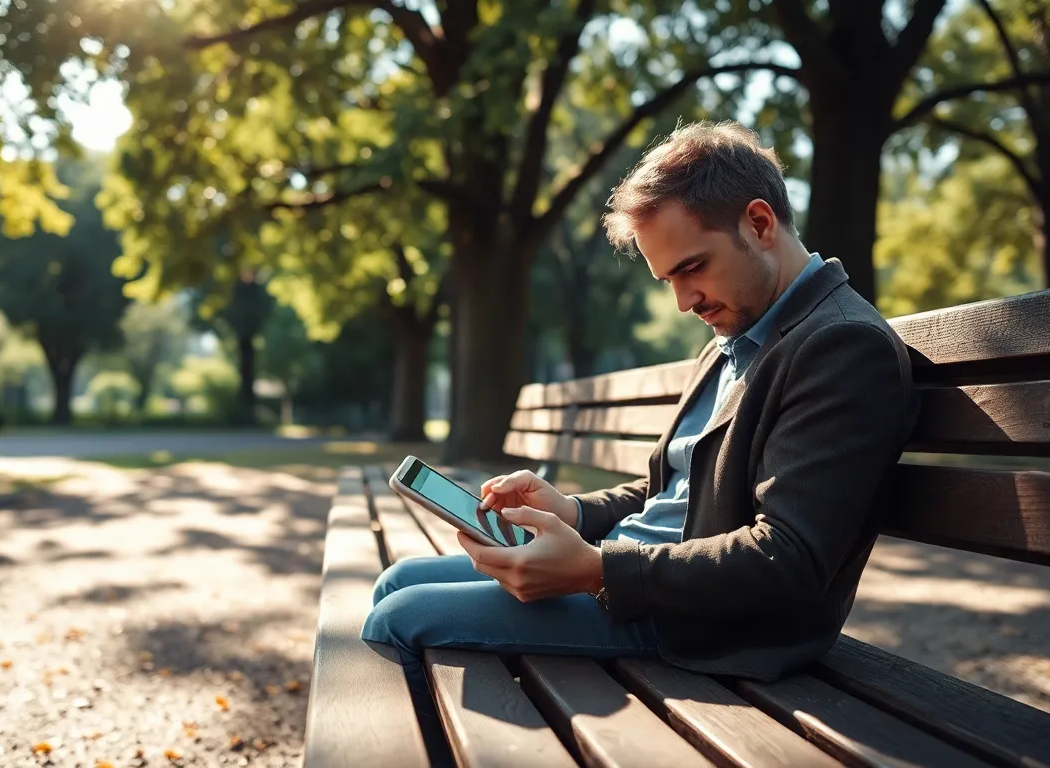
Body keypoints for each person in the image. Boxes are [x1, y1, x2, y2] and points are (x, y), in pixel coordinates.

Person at [361, 120, 919, 756]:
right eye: (669, 280)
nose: (684, 301)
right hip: (637, 578)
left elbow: (788, 559)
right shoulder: (739, 333)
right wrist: (572, 511)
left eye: (692, 268)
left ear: (759, 224)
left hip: (698, 620)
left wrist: (596, 569)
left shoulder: (841, 346)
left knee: (396, 619)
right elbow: (674, 490)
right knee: (396, 581)